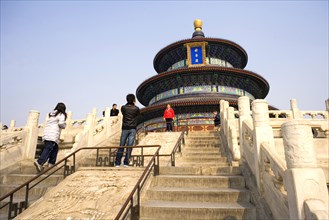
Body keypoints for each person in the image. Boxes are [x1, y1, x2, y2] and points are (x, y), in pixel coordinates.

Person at [34, 103, 67, 172]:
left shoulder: (52, 114)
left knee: (55, 148)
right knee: (48, 148)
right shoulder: (61, 114)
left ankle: (51, 163)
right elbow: (61, 124)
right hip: (53, 135)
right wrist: (64, 125)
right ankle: (39, 162)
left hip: (46, 134)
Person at [115, 94, 140, 167]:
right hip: (132, 128)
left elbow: (123, 113)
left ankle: (117, 163)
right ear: (134, 100)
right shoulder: (136, 108)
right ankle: (126, 162)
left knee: (121, 145)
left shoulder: (123, 108)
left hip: (125, 128)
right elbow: (138, 115)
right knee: (129, 146)